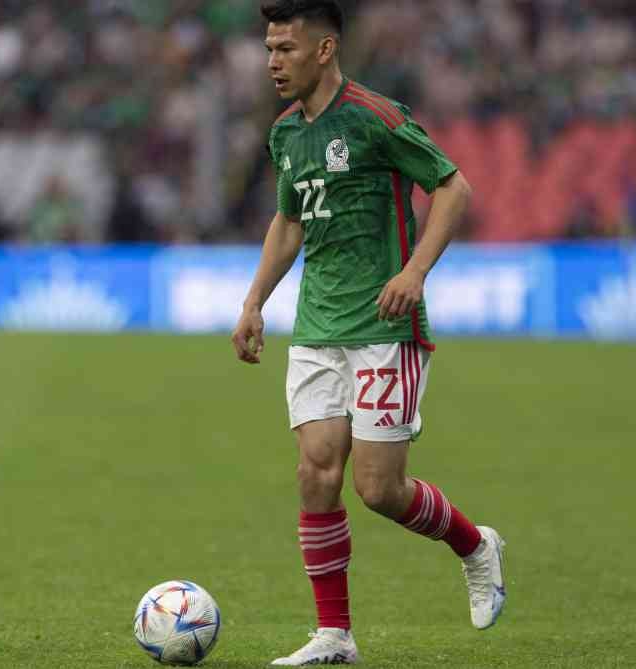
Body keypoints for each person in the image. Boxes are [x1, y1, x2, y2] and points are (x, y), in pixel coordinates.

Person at [230, 1, 506, 665]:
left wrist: (414, 270)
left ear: (324, 50)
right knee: (315, 472)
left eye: (286, 49)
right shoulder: (285, 133)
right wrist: (253, 301)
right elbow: (290, 222)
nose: (272, 61)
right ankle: (335, 635)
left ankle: (475, 544)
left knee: (380, 489)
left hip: (385, 325)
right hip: (318, 325)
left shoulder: (378, 118)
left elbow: (453, 187)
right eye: (269, 48)